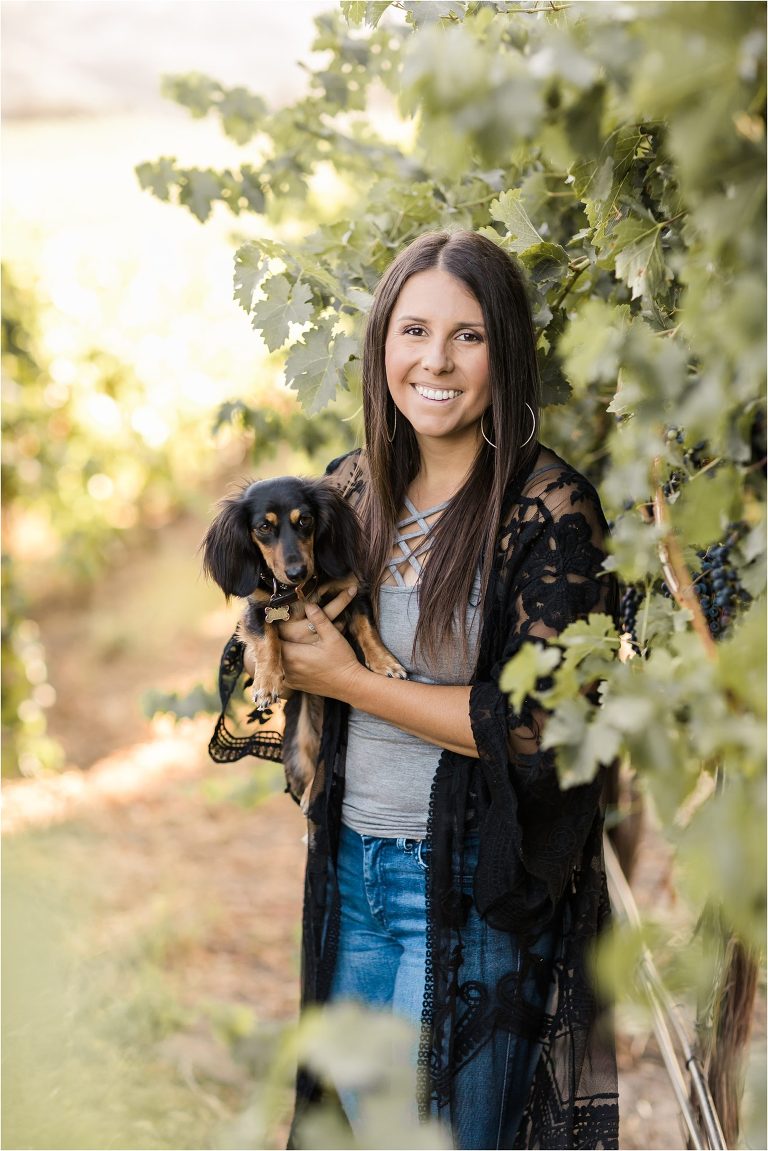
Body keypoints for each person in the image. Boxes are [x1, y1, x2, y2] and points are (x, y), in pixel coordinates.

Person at [211, 230, 620, 1149]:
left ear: (504, 351)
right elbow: (263, 633)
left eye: (467, 336)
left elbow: (537, 727)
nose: (435, 360)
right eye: (414, 330)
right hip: (351, 871)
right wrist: (278, 644)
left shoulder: (549, 511)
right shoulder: (350, 491)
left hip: (472, 889)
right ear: (382, 345)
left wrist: (348, 678)